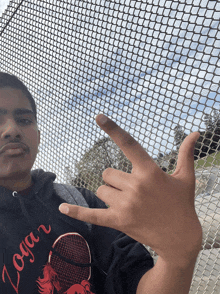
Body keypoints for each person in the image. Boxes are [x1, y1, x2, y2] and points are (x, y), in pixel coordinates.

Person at [0, 72, 202, 294]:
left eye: (24, 120)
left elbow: (138, 285)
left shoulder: (79, 203)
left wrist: (177, 257)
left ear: (38, 137)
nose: (12, 130)